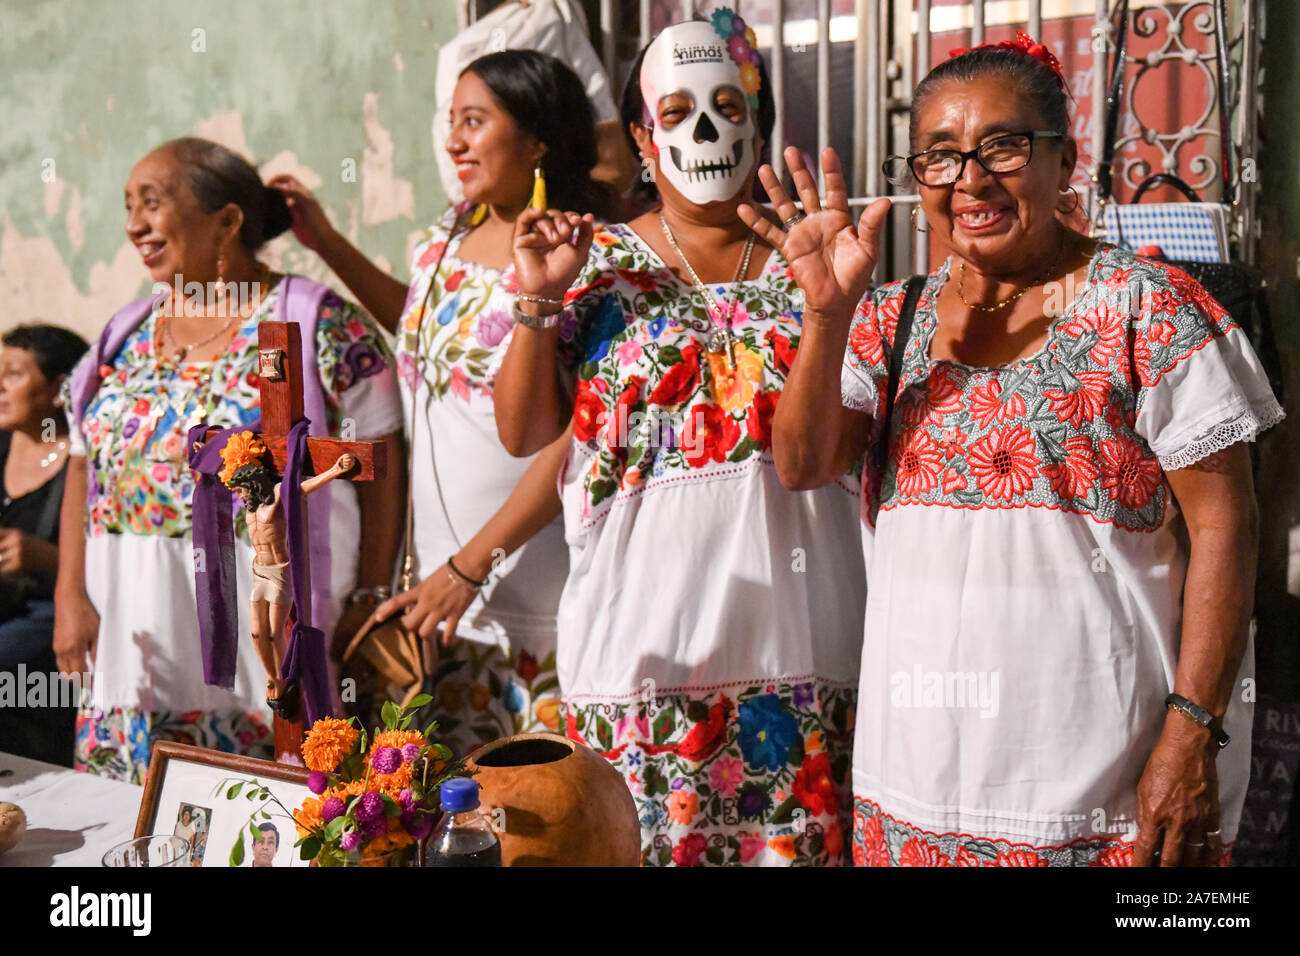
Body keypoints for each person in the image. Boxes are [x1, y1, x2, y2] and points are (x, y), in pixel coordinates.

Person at [752, 33, 1284, 866]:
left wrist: (1192, 733)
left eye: (1002, 146)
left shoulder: (1148, 310)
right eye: (939, 156)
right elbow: (803, 464)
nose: (970, 179)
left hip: (1099, 795)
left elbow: (1228, 529)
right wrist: (826, 312)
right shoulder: (890, 320)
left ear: (1063, 160)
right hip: (913, 791)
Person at [494, 12, 866, 866]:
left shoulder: (818, 262)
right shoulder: (592, 262)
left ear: (757, 121)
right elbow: (524, 434)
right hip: (641, 659)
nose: (707, 130)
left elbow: (833, 450)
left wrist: (827, 305)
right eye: (676, 113)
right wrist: (538, 300)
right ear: (640, 134)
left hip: (803, 647)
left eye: (728, 106)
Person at [270, 50, 613, 758]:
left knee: (544, 814)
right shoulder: (448, 235)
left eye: (475, 121)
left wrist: (473, 564)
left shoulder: (586, 255)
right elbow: (429, 329)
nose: (454, 140)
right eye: (450, 122)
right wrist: (328, 244)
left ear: (539, 139)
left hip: (532, 588)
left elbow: (584, 430)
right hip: (443, 591)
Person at [55, 137, 405, 783]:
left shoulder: (312, 320)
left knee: (262, 818)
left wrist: (374, 590)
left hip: (263, 638)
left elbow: (381, 454)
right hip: (134, 632)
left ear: (228, 219)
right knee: (136, 824)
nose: (134, 224)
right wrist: (69, 594)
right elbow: (81, 454)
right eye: (128, 205)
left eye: (153, 202)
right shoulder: (126, 332)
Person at [0, 324, 88, 765]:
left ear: (59, 390)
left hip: (50, 610)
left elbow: (110, 567)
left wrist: (42, 557)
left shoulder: (83, 462)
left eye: (13, 373)